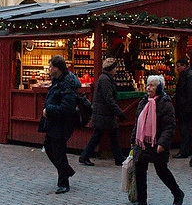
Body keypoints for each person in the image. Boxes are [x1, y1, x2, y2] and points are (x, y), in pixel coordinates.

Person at [129, 75, 184, 205]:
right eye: (148, 85)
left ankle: (177, 193)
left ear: (159, 87)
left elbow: (169, 126)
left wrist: (163, 143)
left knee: (161, 170)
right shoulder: (144, 101)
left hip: (157, 141)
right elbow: (138, 122)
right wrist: (133, 139)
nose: (149, 88)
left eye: (152, 85)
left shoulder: (165, 103)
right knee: (140, 168)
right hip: (143, 142)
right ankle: (142, 201)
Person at [39, 55, 79, 194]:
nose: (49, 69)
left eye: (50, 66)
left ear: (57, 68)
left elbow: (67, 107)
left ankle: (63, 182)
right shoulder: (57, 80)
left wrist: (49, 109)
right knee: (49, 148)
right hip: (53, 122)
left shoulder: (67, 84)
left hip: (61, 123)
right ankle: (66, 170)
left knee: (58, 151)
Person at [79, 58, 126, 166]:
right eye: (115, 68)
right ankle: (85, 156)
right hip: (104, 113)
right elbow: (108, 98)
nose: (116, 70)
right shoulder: (105, 80)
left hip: (104, 113)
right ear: (111, 68)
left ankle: (118, 157)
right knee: (98, 135)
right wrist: (119, 112)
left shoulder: (105, 78)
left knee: (110, 134)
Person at [172, 58, 192, 159]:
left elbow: (191, 94)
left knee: (185, 129)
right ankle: (188, 149)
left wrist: (187, 108)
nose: (177, 68)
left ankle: (184, 151)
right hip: (185, 108)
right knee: (186, 129)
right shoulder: (187, 75)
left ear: (184, 66)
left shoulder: (189, 76)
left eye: (178, 66)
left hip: (186, 108)